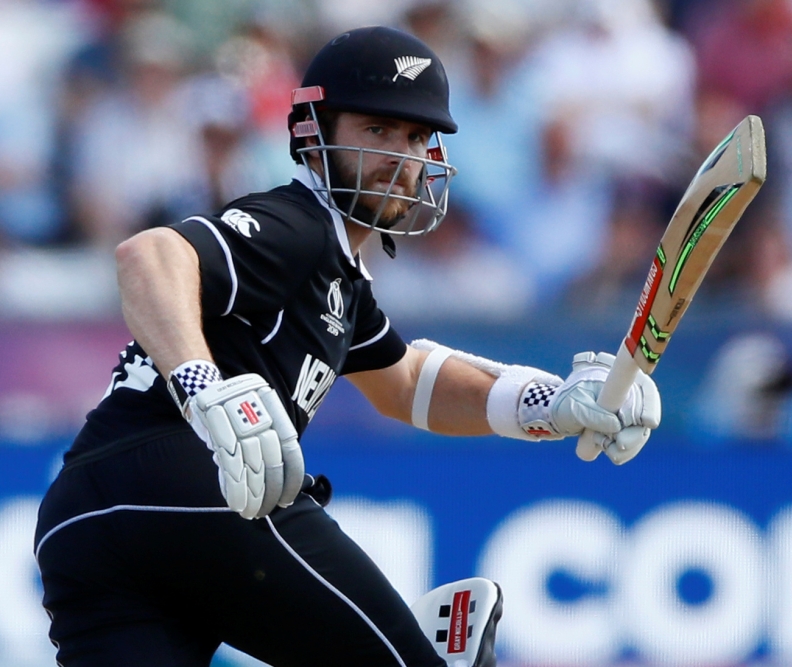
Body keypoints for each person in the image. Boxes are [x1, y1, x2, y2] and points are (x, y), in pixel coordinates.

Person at [33, 26, 661, 667]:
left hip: (82, 518)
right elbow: (148, 254)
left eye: (417, 137)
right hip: (187, 481)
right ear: (315, 134)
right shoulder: (299, 225)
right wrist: (203, 390)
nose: (402, 156)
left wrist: (549, 403)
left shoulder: (340, 278)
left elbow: (406, 383)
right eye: (378, 131)